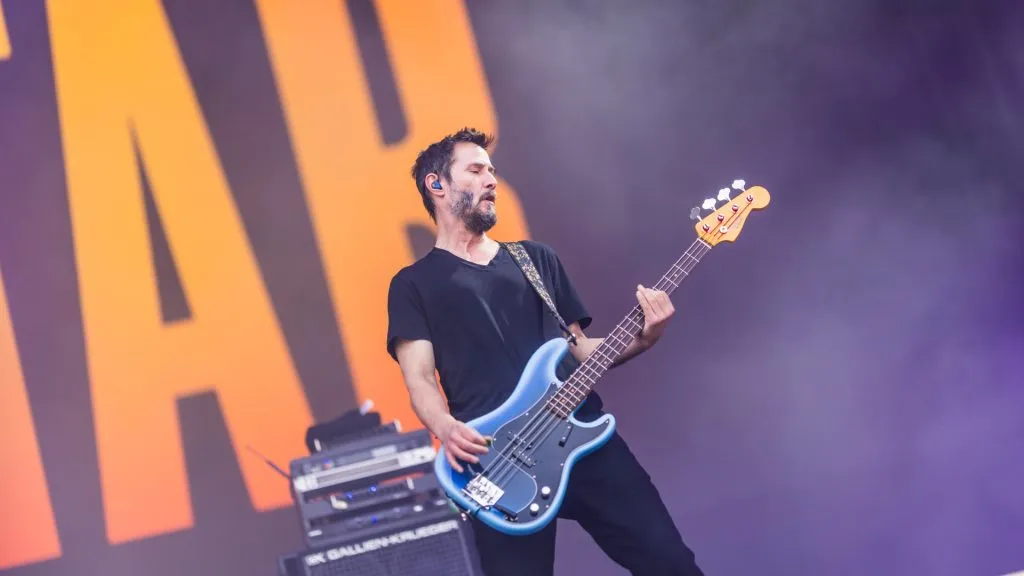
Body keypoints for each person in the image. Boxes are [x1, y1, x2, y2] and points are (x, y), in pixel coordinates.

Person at [386, 128, 703, 575]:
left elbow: (577, 349)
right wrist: (445, 427)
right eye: (476, 170)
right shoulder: (412, 285)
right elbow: (418, 376)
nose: (491, 180)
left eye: (492, 171)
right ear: (436, 185)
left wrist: (645, 337)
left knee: (671, 564)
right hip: (495, 459)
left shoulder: (535, 259)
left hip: (583, 440)